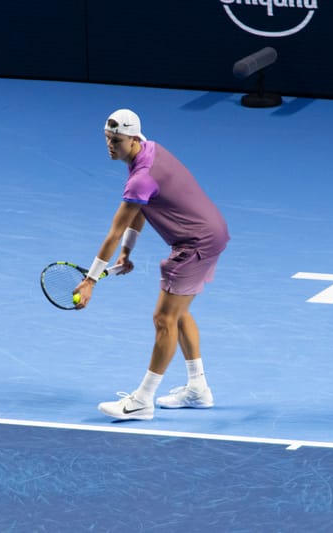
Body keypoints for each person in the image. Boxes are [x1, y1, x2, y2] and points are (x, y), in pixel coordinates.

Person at [73, 109, 230, 421]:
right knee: (179, 313)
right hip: (211, 233)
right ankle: (198, 389)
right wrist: (127, 254)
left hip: (194, 244)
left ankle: (143, 400)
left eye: (115, 140)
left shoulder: (140, 179)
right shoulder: (151, 151)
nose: (110, 145)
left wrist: (90, 280)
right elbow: (143, 209)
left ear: (132, 139)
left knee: (163, 319)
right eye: (107, 138)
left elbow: (114, 233)